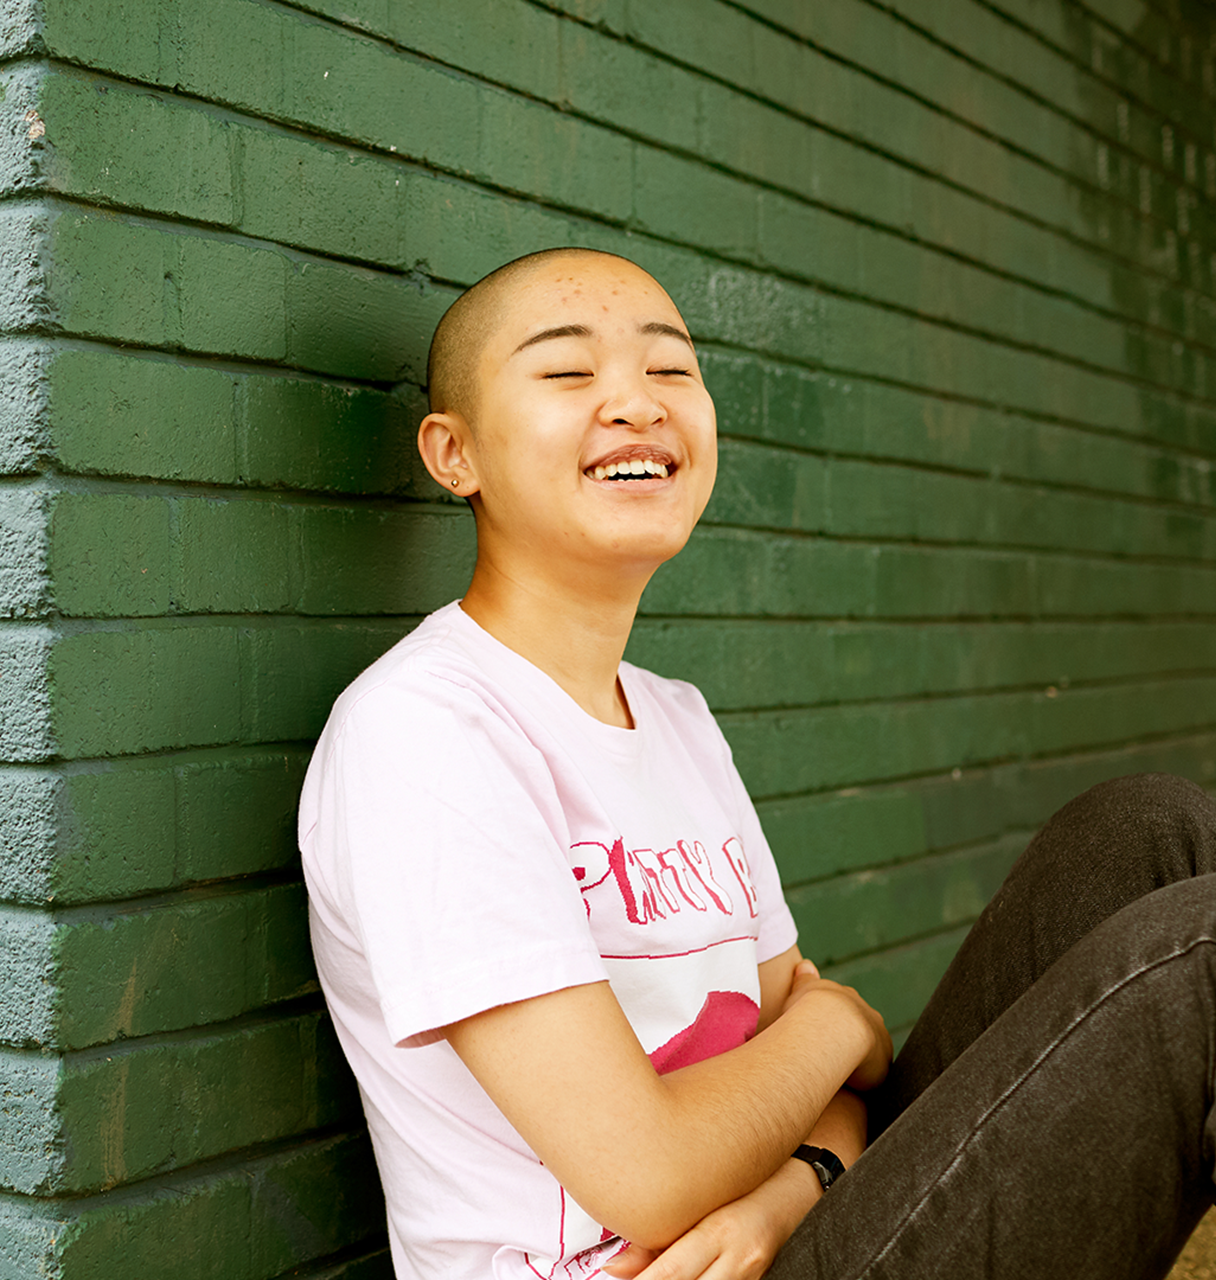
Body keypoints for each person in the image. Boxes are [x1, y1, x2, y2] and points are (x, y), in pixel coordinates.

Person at [297, 247, 1216, 1280]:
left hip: (790, 1229)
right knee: (1200, 962)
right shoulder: (426, 729)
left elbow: (838, 1092)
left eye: (671, 370)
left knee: (1150, 828)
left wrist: (799, 1181)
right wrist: (836, 1018)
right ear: (451, 451)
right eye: (567, 373)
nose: (635, 404)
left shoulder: (677, 719)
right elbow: (645, 1170)